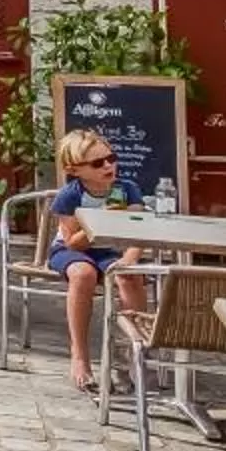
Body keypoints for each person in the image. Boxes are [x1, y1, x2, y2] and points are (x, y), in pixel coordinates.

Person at [51, 127, 148, 392]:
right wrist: (100, 220)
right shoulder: (70, 195)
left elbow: (140, 231)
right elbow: (72, 241)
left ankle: (134, 353)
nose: (108, 166)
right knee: (83, 275)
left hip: (111, 250)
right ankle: (80, 356)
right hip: (74, 250)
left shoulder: (128, 189)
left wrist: (128, 259)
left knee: (130, 276)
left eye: (111, 158)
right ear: (74, 169)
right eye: (97, 163)